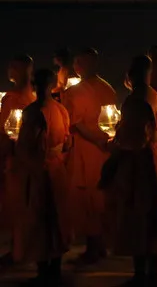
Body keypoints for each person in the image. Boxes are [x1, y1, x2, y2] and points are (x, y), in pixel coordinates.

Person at [101, 55, 157, 285]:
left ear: (130, 74)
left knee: (137, 217)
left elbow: (131, 139)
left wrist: (112, 157)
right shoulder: (155, 96)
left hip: (138, 165)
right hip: (156, 160)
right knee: (152, 216)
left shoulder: (135, 100)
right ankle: (153, 271)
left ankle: (141, 273)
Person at [11, 68, 71, 284]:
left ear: (35, 85)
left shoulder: (33, 112)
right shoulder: (61, 110)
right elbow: (67, 142)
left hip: (39, 171)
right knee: (58, 218)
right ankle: (55, 269)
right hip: (57, 169)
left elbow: (26, 146)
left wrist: (14, 148)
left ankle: (44, 272)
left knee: (39, 220)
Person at [63, 47, 117, 264]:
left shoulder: (75, 92)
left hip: (88, 150)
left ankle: (94, 247)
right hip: (103, 148)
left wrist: (95, 139)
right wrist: (105, 140)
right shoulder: (107, 88)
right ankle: (100, 244)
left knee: (88, 199)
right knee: (99, 197)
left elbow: (74, 123)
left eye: (79, 63)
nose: (77, 67)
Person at [1, 54, 37, 263]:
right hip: (31, 158)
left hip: (16, 159)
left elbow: (5, 131)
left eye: (12, 67)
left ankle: (18, 250)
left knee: (17, 205)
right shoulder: (33, 97)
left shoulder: (13, 98)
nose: (9, 71)